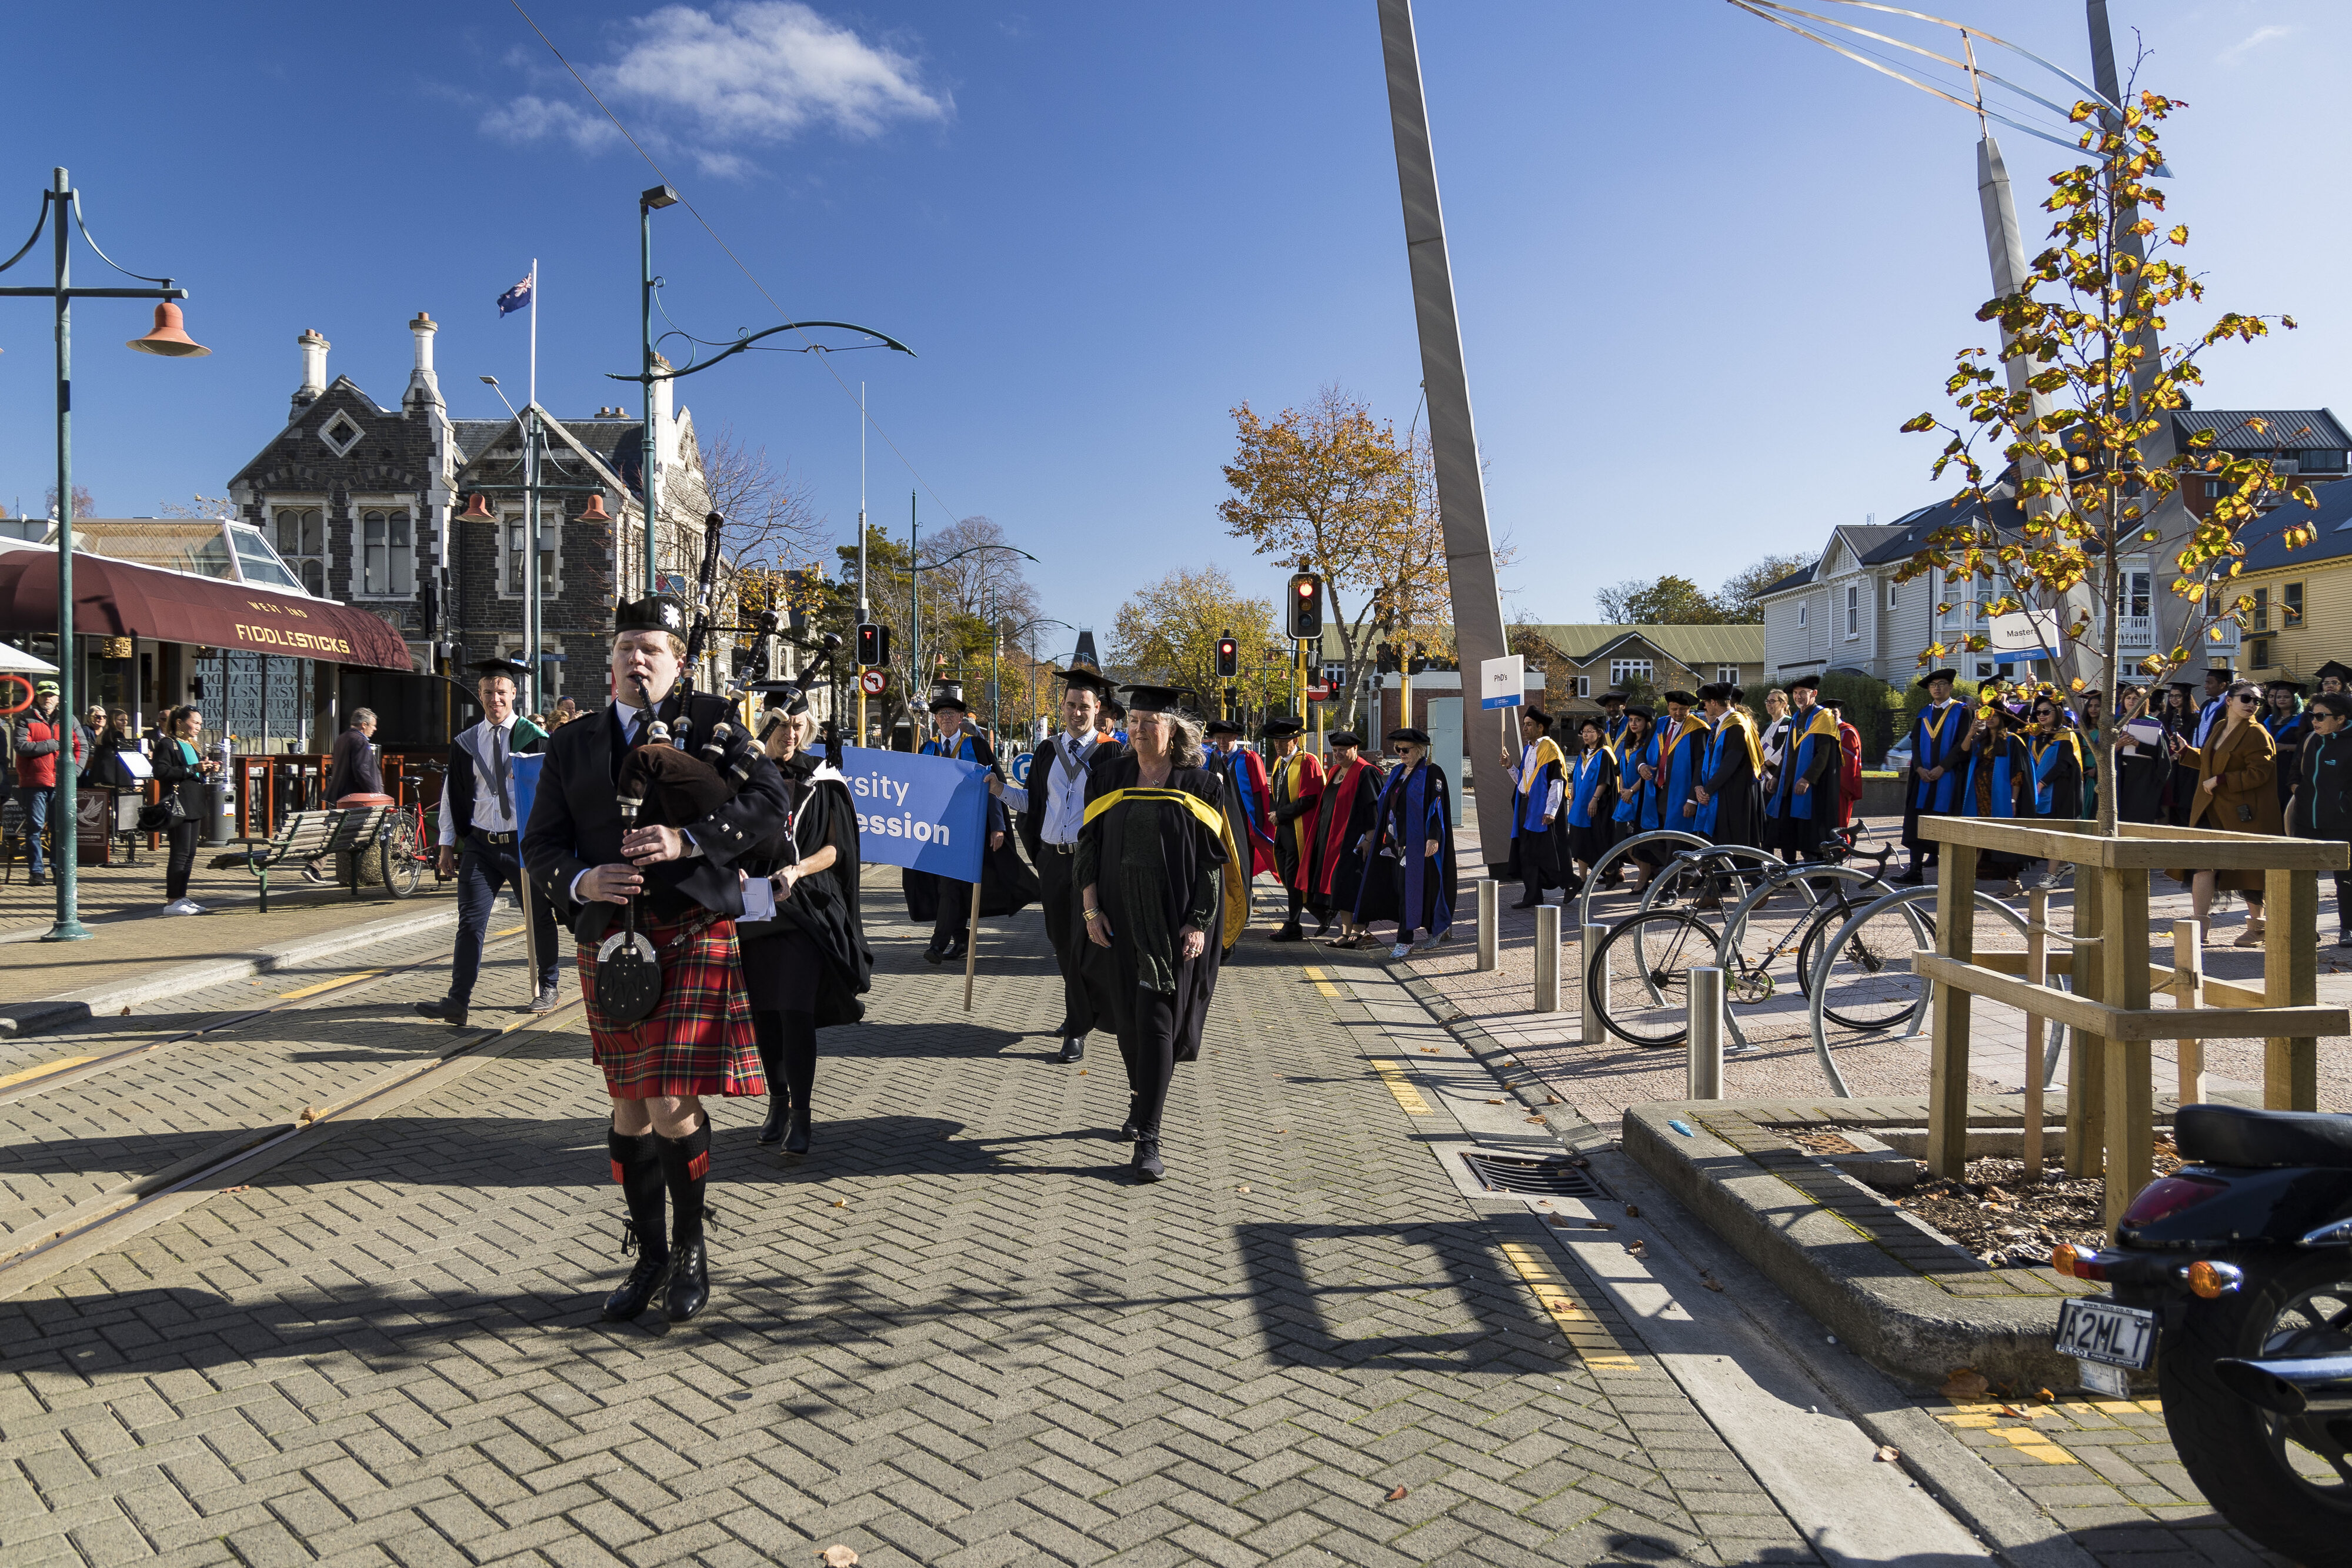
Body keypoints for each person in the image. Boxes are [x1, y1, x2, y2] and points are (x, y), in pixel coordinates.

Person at [522, 593, 790, 1326]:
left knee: (671, 1101)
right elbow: (540, 843)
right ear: (609, 660)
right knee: (630, 1107)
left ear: (679, 662)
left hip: (691, 926)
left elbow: (771, 801)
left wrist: (688, 839)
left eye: (652, 649)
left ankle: (691, 1248)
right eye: (626, 647)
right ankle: (648, 1253)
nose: (637, 659)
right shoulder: (572, 742)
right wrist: (582, 880)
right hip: (612, 942)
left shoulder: (713, 723)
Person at [1076, 685, 1242, 1182]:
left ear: (1173, 730)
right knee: (1129, 1022)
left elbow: (1211, 862)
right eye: (1133, 721)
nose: (1138, 729)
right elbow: (1088, 846)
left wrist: (1199, 921)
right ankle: (1138, 1100)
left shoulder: (1201, 784)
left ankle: (1148, 1137)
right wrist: (1090, 910)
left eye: (1149, 721)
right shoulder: (1108, 777)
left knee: (1155, 1020)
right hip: (1117, 917)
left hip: (1171, 922)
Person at [737, 688, 871, 1152]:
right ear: (764, 727)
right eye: (780, 725)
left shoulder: (824, 779)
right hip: (754, 906)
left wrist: (796, 870)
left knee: (794, 1011)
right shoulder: (743, 776)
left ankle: (802, 1115)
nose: (789, 734)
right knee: (765, 1015)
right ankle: (776, 1103)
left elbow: (838, 849)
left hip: (806, 906)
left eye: (797, 726)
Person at [415, 659, 560, 1029]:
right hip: (481, 843)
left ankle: (548, 985)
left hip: (524, 844)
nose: (495, 698)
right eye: (488, 692)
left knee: (538, 918)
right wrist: (447, 844)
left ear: (514, 694)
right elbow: (452, 793)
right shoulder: (466, 742)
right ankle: (458, 1001)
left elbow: (554, 793)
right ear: (480, 696)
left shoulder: (535, 739)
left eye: (501, 692)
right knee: (470, 923)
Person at [1004, 667, 1119, 1062]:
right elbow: (1034, 805)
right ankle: (1080, 1011)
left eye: (1084, 706)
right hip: (1053, 861)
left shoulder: (1110, 754)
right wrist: (999, 790)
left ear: (1097, 708)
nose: (1076, 712)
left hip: (1090, 864)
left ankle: (1076, 1027)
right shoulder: (1047, 751)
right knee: (1060, 941)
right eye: (1070, 705)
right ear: (1062, 707)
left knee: (1083, 944)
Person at [903, 689, 1019, 965]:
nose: (946, 718)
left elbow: (994, 785)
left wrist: (998, 826)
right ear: (935, 719)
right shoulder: (928, 747)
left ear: (960, 719)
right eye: (941, 714)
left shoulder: (976, 746)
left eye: (951, 714)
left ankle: (937, 945)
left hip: (969, 829)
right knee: (943, 886)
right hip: (935, 830)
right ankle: (962, 938)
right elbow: (915, 787)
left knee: (949, 884)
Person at [2166, 678, 2279, 949]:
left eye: (2257, 701)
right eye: (2246, 698)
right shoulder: (2220, 726)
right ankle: (2199, 927)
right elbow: (2211, 762)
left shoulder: (2257, 733)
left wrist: (2221, 780)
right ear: (2229, 701)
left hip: (2243, 812)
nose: (2252, 704)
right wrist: (2185, 751)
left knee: (2249, 869)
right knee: (2202, 864)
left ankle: (2257, 927)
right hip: (2211, 807)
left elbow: (2260, 773)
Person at [1355, 726, 1456, 958]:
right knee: (1408, 889)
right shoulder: (1397, 771)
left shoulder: (1432, 772)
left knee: (1412, 889)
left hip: (1419, 843)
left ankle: (1405, 940)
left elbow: (1437, 808)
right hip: (1395, 843)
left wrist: (1434, 837)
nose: (1401, 753)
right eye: (1398, 749)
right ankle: (1436, 928)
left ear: (1419, 750)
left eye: (1406, 750)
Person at [1307, 730, 1380, 946]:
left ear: (1355, 749)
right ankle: (1346, 932)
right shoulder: (1335, 771)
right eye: (1335, 750)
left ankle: (1359, 929)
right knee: (1339, 887)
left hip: (1355, 841)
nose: (1337, 754)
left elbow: (1374, 809)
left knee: (1352, 885)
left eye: (1342, 750)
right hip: (1333, 841)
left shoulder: (1366, 772)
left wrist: (1369, 839)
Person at [1761, 675, 1842, 863]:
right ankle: (1789, 867)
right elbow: (1788, 751)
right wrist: (1777, 777)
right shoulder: (1797, 717)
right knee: (1787, 828)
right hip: (1789, 783)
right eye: (1796, 693)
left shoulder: (1823, 717)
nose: (1798, 696)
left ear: (1814, 694)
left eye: (1803, 693)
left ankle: (1821, 870)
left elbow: (1824, 753)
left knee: (1813, 831)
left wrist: (1807, 778)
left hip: (1814, 786)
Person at [1897, 669, 1968, 884]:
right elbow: (1915, 744)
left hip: (1949, 777)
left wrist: (1943, 768)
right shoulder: (1923, 713)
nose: (1937, 688)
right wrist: (1919, 768)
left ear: (1951, 687)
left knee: (1944, 822)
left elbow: (1963, 744)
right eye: (1933, 685)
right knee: (1917, 821)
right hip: (1923, 778)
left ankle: (1947, 876)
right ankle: (1915, 871)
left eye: (1942, 684)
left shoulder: (1962, 711)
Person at [2293, 691, 2352, 945]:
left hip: (2343, 823)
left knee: (2346, 880)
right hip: (2307, 821)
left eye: (2320, 716)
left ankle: (2348, 928)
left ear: (2340, 719)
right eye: (2312, 715)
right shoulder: (2310, 740)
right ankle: (2306, 928)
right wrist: (2299, 791)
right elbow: (2294, 773)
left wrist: (2342, 804)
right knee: (2304, 877)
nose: (2314, 721)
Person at [11, 680, 84, 886]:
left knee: (59, 828)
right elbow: (21, 746)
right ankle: (36, 872)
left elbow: (82, 747)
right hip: (34, 782)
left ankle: (58, 870)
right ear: (37, 697)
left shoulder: (69, 719)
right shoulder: (25, 718)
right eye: (43, 694)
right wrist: (53, 744)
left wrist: (74, 773)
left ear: (59, 698)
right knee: (35, 827)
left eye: (51, 695)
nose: (47, 698)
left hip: (61, 783)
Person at [151, 703, 217, 914]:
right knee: (179, 853)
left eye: (200, 723)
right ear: (180, 723)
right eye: (195, 722)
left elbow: (193, 773)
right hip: (179, 804)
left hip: (194, 803)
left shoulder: (192, 745)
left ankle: (182, 896)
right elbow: (160, 772)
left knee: (190, 853)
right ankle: (172, 901)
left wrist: (205, 769)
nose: (198, 727)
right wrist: (193, 768)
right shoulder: (167, 744)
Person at [1500, 706, 1566, 910]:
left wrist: (1551, 810)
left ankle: (1569, 881)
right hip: (1525, 806)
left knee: (1543, 853)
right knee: (1526, 852)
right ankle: (1533, 895)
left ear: (1541, 727)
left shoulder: (1550, 749)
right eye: (1524, 724)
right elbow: (1523, 782)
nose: (1525, 728)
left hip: (1540, 809)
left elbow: (1557, 781)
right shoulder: (1528, 749)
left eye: (1529, 724)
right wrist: (1510, 766)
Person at [1265, 717, 1325, 941]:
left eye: (1283, 741)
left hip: (1301, 830)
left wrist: (1280, 814)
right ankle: (1322, 914)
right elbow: (1276, 794)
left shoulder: (1308, 762)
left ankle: (1294, 924)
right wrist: (1274, 813)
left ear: (1296, 740)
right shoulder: (1279, 763)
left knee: (1295, 878)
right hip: (1283, 830)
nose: (1278, 746)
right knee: (1288, 877)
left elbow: (1310, 798)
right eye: (1275, 742)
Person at [2021, 695, 2085, 888]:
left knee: (2056, 831)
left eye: (2046, 711)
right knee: (2046, 831)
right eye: (2038, 712)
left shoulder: (2066, 734)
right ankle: (2064, 865)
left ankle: (2051, 875)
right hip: (2039, 791)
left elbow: (2063, 764)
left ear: (2057, 712)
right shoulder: (2036, 735)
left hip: (2061, 792)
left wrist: (2042, 783)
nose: (2041, 715)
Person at [1691, 683, 1761, 855]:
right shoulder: (1721, 724)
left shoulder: (1737, 725)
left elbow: (1730, 763)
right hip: (1720, 791)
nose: (1704, 707)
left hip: (1734, 793)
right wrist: (1700, 786)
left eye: (1705, 703)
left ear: (1714, 702)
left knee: (1734, 842)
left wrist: (1707, 790)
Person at [1205, 719, 1275, 880]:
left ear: (1235, 737)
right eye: (1218, 738)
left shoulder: (1249, 759)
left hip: (1243, 820)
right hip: (1220, 817)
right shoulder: (1214, 758)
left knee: (1243, 860)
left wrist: (1257, 825)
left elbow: (1259, 793)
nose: (1221, 742)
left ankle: (1245, 893)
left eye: (1225, 738)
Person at [1640, 690, 1705, 846]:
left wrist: (1692, 800)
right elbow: (1643, 752)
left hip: (1680, 794)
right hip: (1655, 792)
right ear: (1668, 708)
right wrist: (1641, 766)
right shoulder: (1660, 724)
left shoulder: (1698, 729)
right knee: (1653, 842)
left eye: (1683, 709)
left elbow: (1700, 766)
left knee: (1676, 841)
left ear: (1689, 709)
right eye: (1674, 709)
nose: (1678, 713)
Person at [1562, 716, 1617, 890]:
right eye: (1583, 732)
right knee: (1579, 841)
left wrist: (1595, 799)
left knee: (1599, 840)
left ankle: (1610, 872)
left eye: (1589, 731)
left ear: (1599, 734)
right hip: (1580, 806)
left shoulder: (1605, 753)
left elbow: (1605, 780)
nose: (1585, 735)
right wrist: (1573, 800)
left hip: (1599, 806)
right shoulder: (1583, 754)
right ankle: (1583, 878)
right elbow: (1576, 778)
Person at [1609, 706, 1653, 890]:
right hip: (1626, 798)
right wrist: (1622, 790)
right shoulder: (1629, 743)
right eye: (1631, 720)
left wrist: (1632, 791)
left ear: (1646, 723)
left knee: (1637, 840)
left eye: (1638, 720)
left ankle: (1643, 877)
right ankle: (1646, 872)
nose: (1634, 724)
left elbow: (1649, 773)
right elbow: (1620, 770)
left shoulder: (1649, 745)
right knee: (1624, 841)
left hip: (1641, 797)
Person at [2261, 679, 2310, 821]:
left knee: (2286, 804)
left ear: (2295, 699)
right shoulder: (2269, 720)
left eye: (2286, 697)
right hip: (2270, 767)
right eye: (2279, 697)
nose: (2281, 699)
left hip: (2290, 766)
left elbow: (2308, 745)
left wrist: (2285, 747)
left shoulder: (2303, 720)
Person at [324, 708, 383, 802]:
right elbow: (361, 770)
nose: (375, 729)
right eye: (373, 726)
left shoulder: (342, 738)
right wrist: (375, 794)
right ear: (364, 725)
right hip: (357, 797)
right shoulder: (360, 741)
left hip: (340, 795)